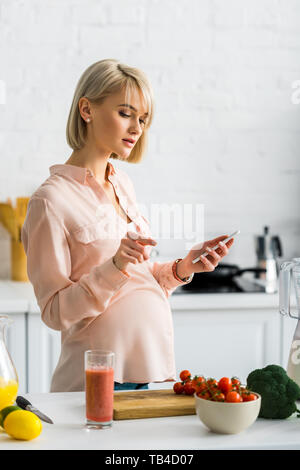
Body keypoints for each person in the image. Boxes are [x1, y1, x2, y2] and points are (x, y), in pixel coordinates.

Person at [21, 59, 234, 393]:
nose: (137, 128)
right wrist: (115, 264)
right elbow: (54, 312)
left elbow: (137, 275)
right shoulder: (49, 202)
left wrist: (181, 268)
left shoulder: (122, 184)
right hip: (98, 379)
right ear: (87, 109)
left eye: (143, 119)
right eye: (125, 113)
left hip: (145, 371)